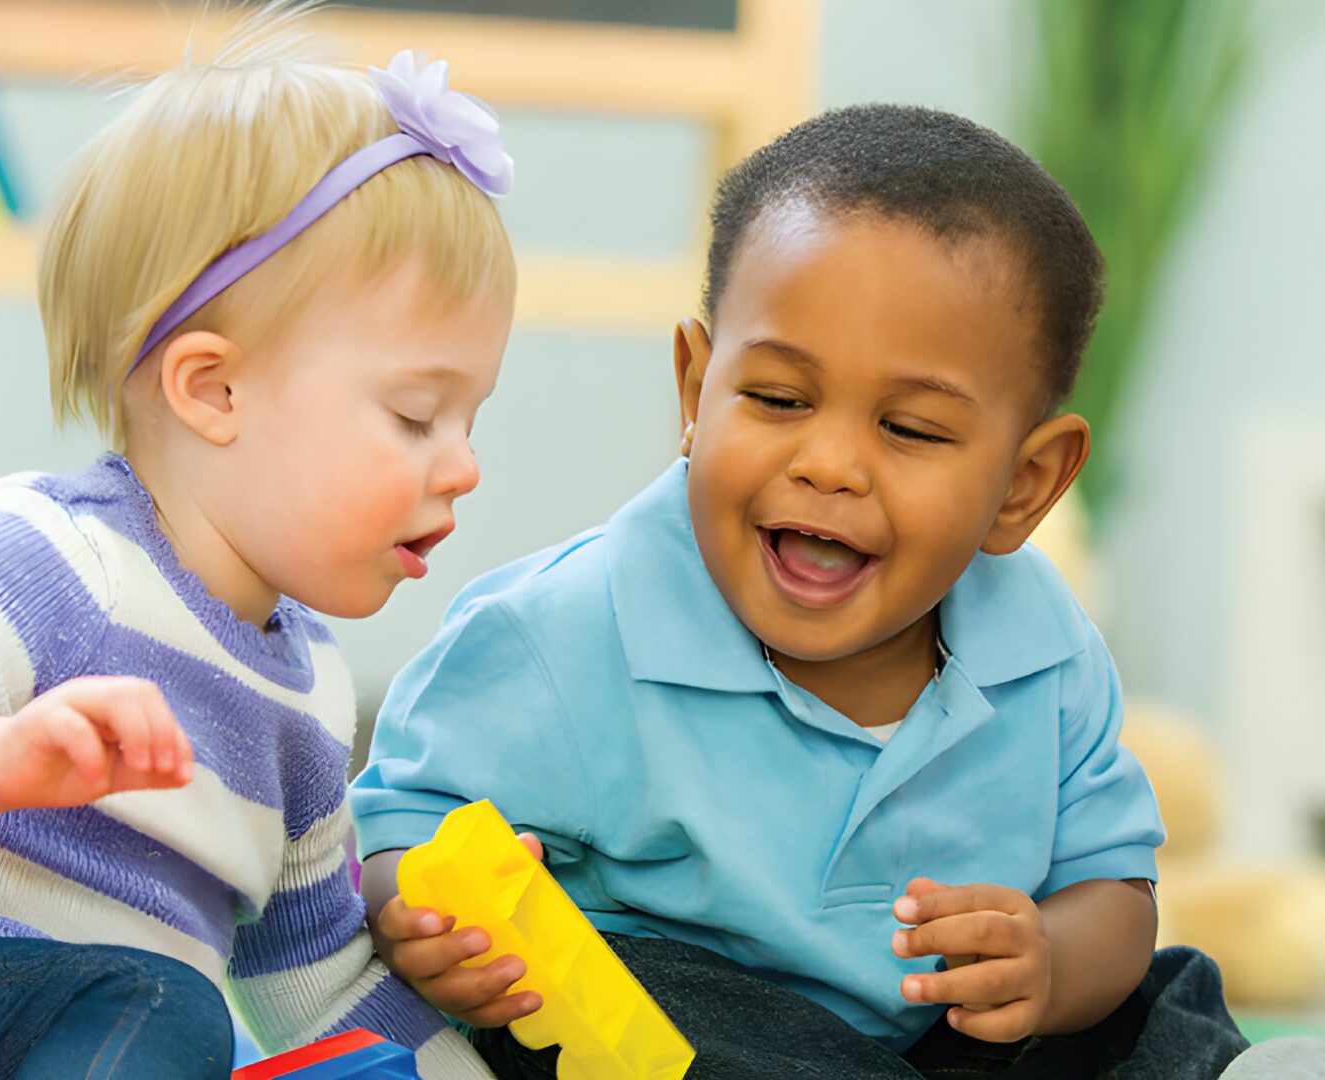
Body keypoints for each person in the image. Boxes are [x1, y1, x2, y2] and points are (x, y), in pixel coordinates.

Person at [0, 8, 514, 1078]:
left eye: (469, 420)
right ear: (213, 389)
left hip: (79, 1034)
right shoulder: (50, 556)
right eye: (413, 417)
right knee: (167, 1003)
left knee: (206, 1026)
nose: (461, 467)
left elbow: (323, 987)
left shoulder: (306, 705)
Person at [352, 105, 1249, 1078]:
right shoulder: (563, 631)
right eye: (777, 400)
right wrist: (423, 925)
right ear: (696, 391)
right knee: (645, 1014)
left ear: (1024, 485)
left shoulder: (1046, 652)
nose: (828, 465)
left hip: (940, 1036)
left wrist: (1047, 960)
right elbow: (398, 831)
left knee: (1163, 998)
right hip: (695, 1034)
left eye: (909, 429)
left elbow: (1112, 888)